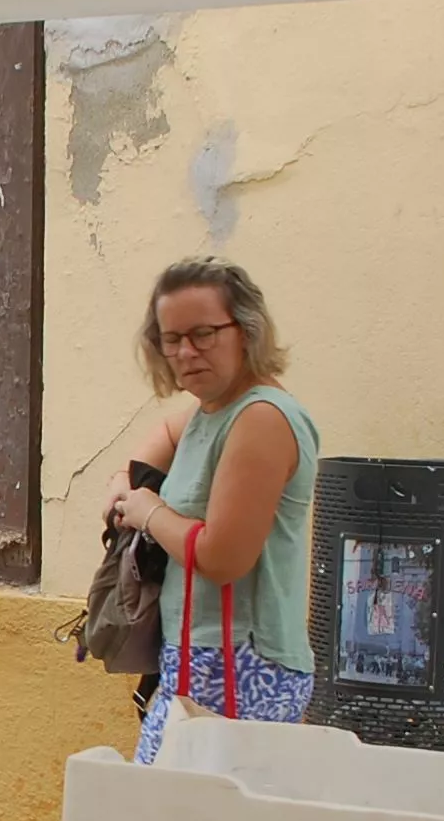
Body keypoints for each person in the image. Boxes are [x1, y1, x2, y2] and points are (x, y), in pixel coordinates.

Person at [105, 258, 321, 760]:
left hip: (244, 664)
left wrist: (147, 511)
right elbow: (163, 436)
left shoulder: (261, 418)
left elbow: (223, 557)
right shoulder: (213, 412)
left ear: (245, 331)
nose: (185, 352)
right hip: (199, 659)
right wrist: (122, 480)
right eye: (170, 338)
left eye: (203, 333)